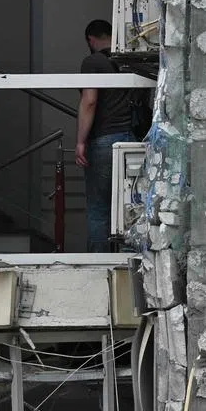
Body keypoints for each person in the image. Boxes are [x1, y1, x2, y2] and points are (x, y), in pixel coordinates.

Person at [75, 19, 135, 253]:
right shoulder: (128, 63)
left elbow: (89, 101)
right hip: (131, 139)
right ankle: (129, 263)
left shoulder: (93, 61)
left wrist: (80, 141)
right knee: (129, 206)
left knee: (99, 208)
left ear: (91, 40)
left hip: (104, 141)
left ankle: (98, 264)